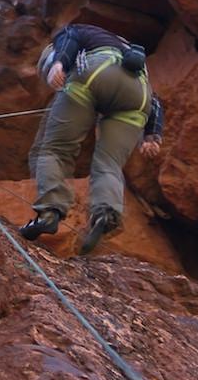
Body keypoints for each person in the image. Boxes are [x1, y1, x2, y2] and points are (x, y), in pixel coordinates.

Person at [18, 23, 163, 254]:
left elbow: (69, 40)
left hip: (95, 74)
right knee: (110, 163)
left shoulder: (75, 32)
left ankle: (49, 212)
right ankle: (105, 214)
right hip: (138, 96)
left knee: (55, 150)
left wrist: (59, 63)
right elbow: (154, 100)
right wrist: (152, 135)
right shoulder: (129, 53)